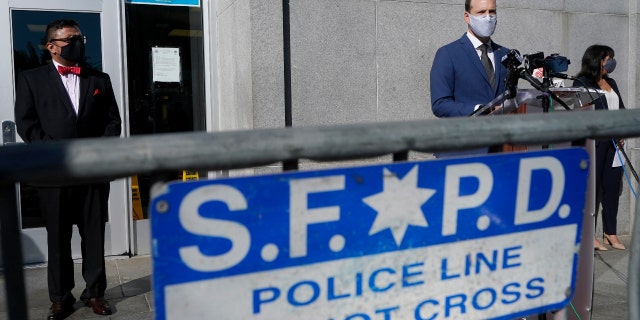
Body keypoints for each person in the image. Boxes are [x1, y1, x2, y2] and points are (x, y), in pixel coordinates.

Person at [14, 19, 121, 319]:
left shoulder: (99, 79)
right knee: (58, 237)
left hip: (93, 172)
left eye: (80, 38)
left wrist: (98, 152)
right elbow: (27, 124)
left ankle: (95, 293)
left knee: (94, 235)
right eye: (70, 40)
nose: (78, 44)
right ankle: (60, 297)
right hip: (54, 172)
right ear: (51, 46)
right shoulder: (31, 79)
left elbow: (113, 121)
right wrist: (58, 153)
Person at [572, 45, 626, 251]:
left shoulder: (611, 82)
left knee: (612, 188)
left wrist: (622, 132)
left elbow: (620, 109)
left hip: (615, 142)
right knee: (592, 189)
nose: (611, 62)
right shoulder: (582, 82)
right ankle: (589, 234)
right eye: (607, 59)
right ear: (596, 60)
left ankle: (610, 232)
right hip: (596, 142)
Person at [430, 0, 509, 119]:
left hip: (503, 134)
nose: (488, 17)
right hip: (468, 134)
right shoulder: (447, 54)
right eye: (481, 12)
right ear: (467, 17)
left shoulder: (505, 54)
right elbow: (440, 105)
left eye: (492, 11)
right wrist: (479, 110)